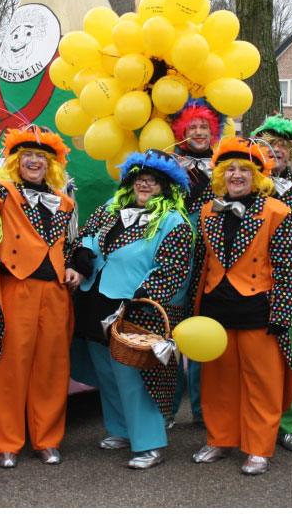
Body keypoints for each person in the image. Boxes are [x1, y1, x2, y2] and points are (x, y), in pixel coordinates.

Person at [71, 149, 194, 469]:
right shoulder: (109, 210)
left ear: (166, 187)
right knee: (107, 372)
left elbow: (173, 269)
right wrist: (80, 254)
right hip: (95, 299)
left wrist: (144, 296)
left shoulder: (172, 222)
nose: (145, 184)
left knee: (134, 377)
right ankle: (121, 430)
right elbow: (85, 237)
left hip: (134, 307)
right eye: (140, 179)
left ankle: (150, 444)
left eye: (153, 181)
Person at [190, 136, 292, 475]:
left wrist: (281, 314)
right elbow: (201, 262)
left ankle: (258, 448)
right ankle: (220, 439)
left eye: (245, 169)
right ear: (221, 175)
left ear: (258, 176)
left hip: (258, 309)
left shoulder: (277, 211)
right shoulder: (208, 210)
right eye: (230, 168)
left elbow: (286, 268)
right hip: (216, 307)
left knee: (261, 382)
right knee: (218, 380)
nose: (237, 175)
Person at [0, 125, 78, 468]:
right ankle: (6, 442)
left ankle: (46, 439)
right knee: (10, 366)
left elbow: (72, 244)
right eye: (27, 157)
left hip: (54, 292)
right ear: (15, 162)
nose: (34, 162)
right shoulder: (0, 192)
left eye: (41, 156)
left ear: (51, 164)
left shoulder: (65, 200)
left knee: (51, 366)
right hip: (16, 285)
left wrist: (75, 267)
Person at [251, 113, 292, 454]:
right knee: (249, 357)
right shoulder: (243, 185)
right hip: (246, 285)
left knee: (288, 355)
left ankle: (288, 425)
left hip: (287, 286)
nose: (275, 151)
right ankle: (252, 423)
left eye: (283, 146)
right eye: (268, 144)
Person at [168, 97, 227, 428]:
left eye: (204, 126)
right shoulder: (172, 165)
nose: (199, 131)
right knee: (174, 328)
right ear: (182, 131)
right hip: (179, 255)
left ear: (213, 130)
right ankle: (168, 407)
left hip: (214, 255)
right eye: (192, 126)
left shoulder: (225, 165)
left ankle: (204, 409)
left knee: (206, 328)